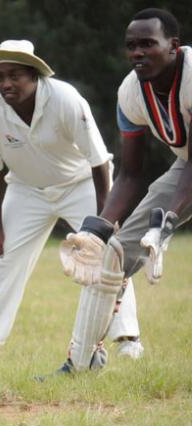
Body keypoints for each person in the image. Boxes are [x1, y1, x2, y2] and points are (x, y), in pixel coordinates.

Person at [0, 40, 143, 359]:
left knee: (109, 255)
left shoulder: (64, 98)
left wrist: (104, 221)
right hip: (26, 189)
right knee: (0, 259)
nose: (5, 83)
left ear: (34, 75)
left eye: (14, 75)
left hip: (82, 182)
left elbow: (98, 160)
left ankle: (128, 339)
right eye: (0, 76)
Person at [54, 8, 191, 374]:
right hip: (187, 165)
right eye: (131, 46)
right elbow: (131, 174)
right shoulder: (131, 93)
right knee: (113, 253)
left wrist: (167, 222)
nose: (137, 53)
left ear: (173, 46)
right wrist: (96, 228)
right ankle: (81, 363)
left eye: (148, 44)